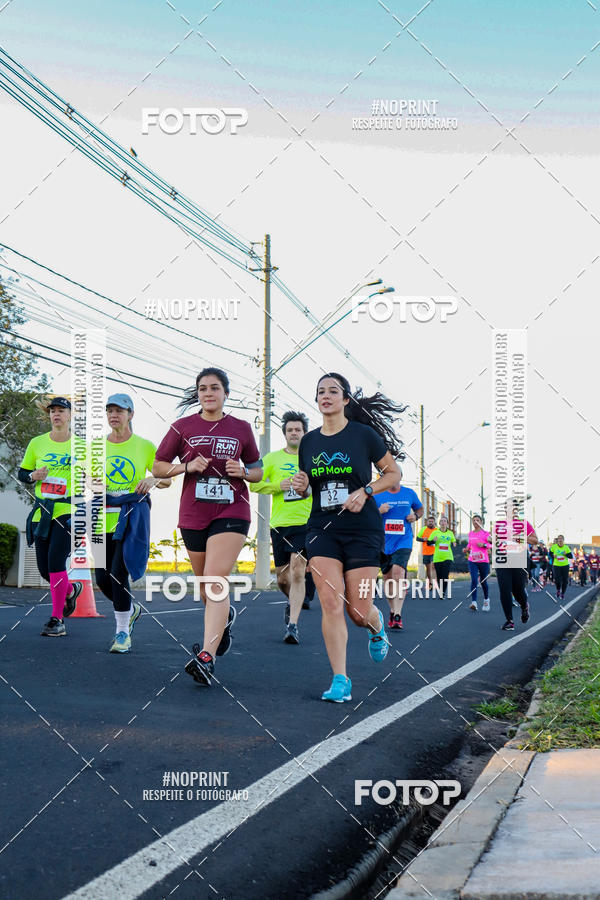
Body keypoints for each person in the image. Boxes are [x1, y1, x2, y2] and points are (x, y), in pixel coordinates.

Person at [291, 373, 403, 703]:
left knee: (358, 611)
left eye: (333, 391)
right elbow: (308, 488)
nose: (325, 396)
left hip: (363, 531)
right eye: (320, 391)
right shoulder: (309, 442)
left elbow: (393, 473)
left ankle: (376, 625)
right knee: (329, 601)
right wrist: (302, 487)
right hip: (322, 529)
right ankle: (340, 679)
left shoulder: (363, 435)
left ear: (345, 400)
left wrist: (366, 490)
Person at [153, 368, 263, 686]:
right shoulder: (183, 426)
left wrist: (243, 472)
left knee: (215, 580)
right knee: (206, 588)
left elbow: (257, 471)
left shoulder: (241, 428)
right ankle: (224, 621)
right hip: (193, 514)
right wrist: (186, 466)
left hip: (232, 510)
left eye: (215, 388)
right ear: (198, 394)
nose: (208, 393)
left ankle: (206, 657)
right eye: (202, 389)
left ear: (226, 393)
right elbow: (159, 466)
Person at [92, 394, 171, 653]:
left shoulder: (144, 446)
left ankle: (122, 633)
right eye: (110, 410)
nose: (113, 415)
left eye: (119, 410)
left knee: (118, 574)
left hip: (131, 519)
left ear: (131, 414)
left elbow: (167, 478)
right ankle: (132, 609)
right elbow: (85, 478)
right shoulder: (96, 446)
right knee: (102, 578)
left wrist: (153, 480)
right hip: (102, 518)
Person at [19, 397, 83, 636]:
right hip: (42, 512)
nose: (56, 414)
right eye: (53, 411)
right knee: (45, 570)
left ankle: (57, 620)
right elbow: (22, 472)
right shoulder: (37, 443)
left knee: (56, 562)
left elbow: (96, 477)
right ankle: (71, 590)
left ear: (70, 415)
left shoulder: (82, 447)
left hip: (68, 511)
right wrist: (33, 476)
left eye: (61, 410)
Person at [250, 411, 312, 644]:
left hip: (306, 523)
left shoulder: (313, 459)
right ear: (285, 434)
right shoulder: (272, 458)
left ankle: (292, 626)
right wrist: (278, 485)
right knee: (283, 579)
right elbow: (255, 486)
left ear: (304, 433)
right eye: (290, 430)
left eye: (298, 430)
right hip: (279, 524)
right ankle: (292, 601)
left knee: (298, 571)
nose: (294, 433)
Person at [375, 482, 423, 630]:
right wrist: (379, 511)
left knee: (398, 573)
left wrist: (415, 516)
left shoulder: (409, 493)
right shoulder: (377, 495)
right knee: (388, 578)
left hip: (404, 540)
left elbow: (420, 509)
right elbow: (366, 515)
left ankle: (398, 615)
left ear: (399, 477)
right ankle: (392, 609)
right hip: (384, 542)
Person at [493, 501, 537, 630]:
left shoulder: (524, 523)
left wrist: (521, 537)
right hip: (502, 559)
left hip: (519, 559)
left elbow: (535, 540)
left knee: (518, 590)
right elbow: (493, 540)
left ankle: (524, 606)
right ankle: (509, 621)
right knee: (504, 589)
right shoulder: (499, 524)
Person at [427, 515, 456, 599]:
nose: (443, 522)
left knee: (445, 575)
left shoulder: (450, 533)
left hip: (448, 557)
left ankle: (443, 592)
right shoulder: (435, 532)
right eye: (441, 521)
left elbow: (454, 541)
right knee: (439, 576)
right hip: (438, 557)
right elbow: (428, 543)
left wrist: (454, 543)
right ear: (439, 523)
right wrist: (433, 541)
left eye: (445, 521)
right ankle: (441, 589)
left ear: (447, 523)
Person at [466, 514, 491, 611]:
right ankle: (474, 602)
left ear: (481, 522)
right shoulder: (470, 534)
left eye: (477, 520)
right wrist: (466, 548)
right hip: (472, 560)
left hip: (483, 561)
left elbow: (492, 545)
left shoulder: (486, 533)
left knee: (483, 582)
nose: (475, 522)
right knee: (474, 580)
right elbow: (469, 544)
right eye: (474, 520)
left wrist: (484, 545)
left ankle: (486, 600)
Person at [416, 514, 436, 589]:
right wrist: (423, 539)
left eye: (432, 521)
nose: (430, 523)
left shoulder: (437, 530)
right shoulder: (423, 529)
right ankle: (430, 582)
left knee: (433, 566)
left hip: (435, 552)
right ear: (427, 522)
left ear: (434, 522)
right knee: (428, 568)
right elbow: (417, 538)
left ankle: (434, 583)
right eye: (429, 521)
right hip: (426, 552)